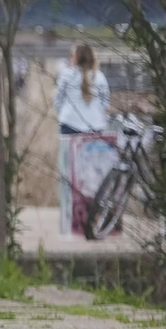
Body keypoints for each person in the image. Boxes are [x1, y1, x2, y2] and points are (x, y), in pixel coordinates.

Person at [54, 41, 111, 235]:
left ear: (75, 57)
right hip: (94, 130)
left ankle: (68, 223)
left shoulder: (66, 75)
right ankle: (94, 219)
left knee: (68, 177)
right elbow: (105, 103)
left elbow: (57, 101)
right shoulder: (100, 77)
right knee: (92, 179)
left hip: (69, 127)